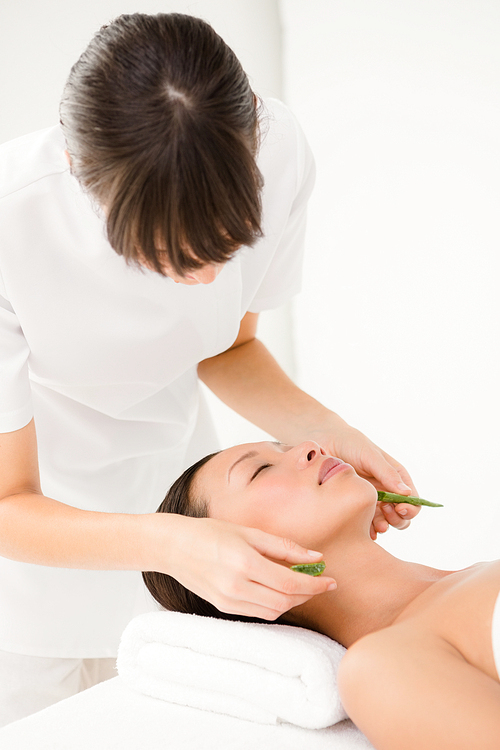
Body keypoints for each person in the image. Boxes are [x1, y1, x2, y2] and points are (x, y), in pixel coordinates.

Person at [0, 12, 419, 724]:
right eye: (167, 256)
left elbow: (228, 349)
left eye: (224, 247)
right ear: (81, 177)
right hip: (36, 556)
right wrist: (173, 544)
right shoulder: (14, 228)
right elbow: (8, 500)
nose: (201, 282)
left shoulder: (279, 149)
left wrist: (333, 430)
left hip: (188, 505)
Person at [143, 440, 500, 750]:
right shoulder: (381, 666)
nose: (310, 446)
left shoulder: (472, 577)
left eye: (282, 446)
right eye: (260, 469)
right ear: (238, 564)